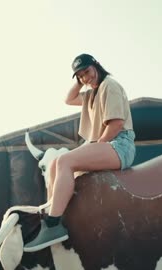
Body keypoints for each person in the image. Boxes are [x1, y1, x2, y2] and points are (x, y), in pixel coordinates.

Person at [24, 53, 136, 252]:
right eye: (80, 76)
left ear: (97, 66)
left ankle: (52, 225)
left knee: (65, 161)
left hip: (119, 144)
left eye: (87, 72)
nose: (85, 78)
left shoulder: (109, 86)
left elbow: (117, 124)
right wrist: (80, 81)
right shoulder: (91, 93)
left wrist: (97, 145)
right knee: (55, 164)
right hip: (103, 143)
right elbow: (69, 99)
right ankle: (54, 212)